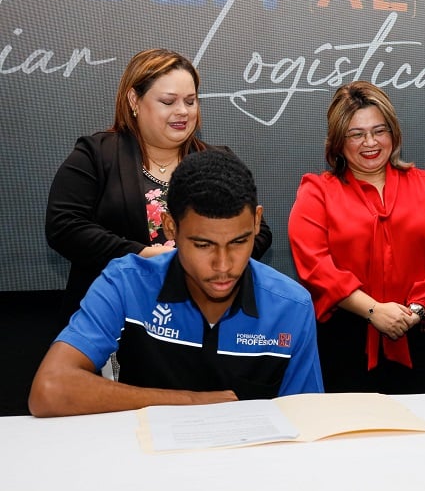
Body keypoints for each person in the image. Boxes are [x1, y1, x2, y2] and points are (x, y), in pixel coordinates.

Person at [29, 150, 322, 417]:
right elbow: (50, 390)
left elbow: (308, 419)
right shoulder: (126, 282)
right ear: (171, 227)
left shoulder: (291, 306)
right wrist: (193, 402)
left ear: (257, 222)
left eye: (239, 242)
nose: (223, 265)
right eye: (202, 244)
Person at [45, 48, 272, 327]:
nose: (182, 112)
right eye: (168, 101)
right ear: (134, 100)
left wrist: (208, 261)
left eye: (190, 101)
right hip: (113, 316)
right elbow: (64, 226)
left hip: (200, 319)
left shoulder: (218, 161)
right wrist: (144, 255)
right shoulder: (96, 154)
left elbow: (259, 232)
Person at [288, 81, 425, 394]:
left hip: (420, 334)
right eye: (356, 134)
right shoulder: (316, 192)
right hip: (345, 341)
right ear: (338, 141)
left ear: (393, 134)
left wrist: (416, 311)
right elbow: (314, 265)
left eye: (379, 130)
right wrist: (373, 310)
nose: (369, 142)